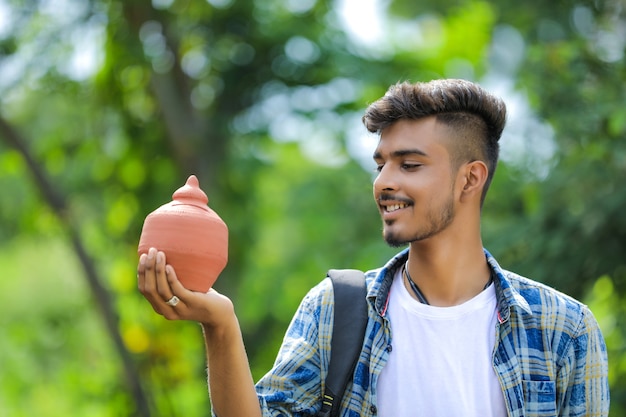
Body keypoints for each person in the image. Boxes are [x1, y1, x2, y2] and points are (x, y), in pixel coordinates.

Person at [138, 79, 610, 416]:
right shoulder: (337, 310)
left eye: (409, 165)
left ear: (470, 178)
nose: (384, 182)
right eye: (381, 164)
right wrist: (221, 326)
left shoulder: (564, 331)